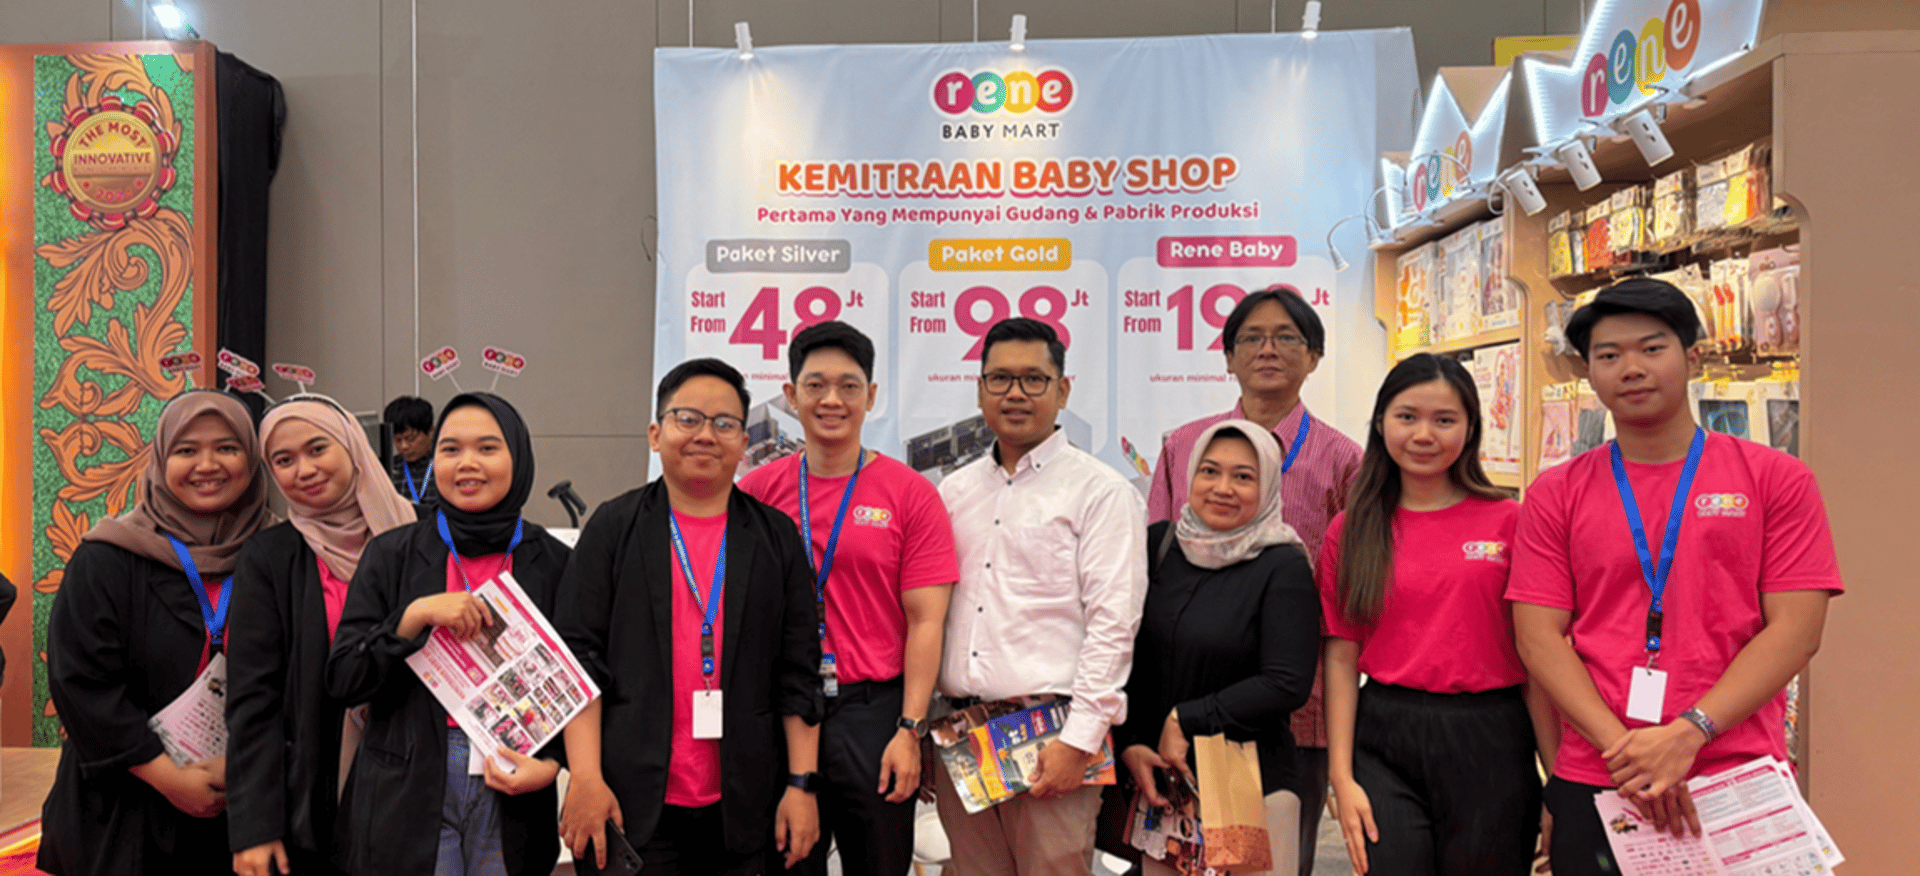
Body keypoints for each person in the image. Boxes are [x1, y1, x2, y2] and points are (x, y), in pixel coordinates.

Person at [1509, 278, 1842, 876]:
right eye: (1609, 356)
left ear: (1692, 357)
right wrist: (1630, 755)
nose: (1630, 368)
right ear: (1589, 374)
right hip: (1602, 774)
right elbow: (1537, 636)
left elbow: (1797, 629)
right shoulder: (1556, 492)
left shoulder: (1776, 479)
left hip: (1735, 770)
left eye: (1651, 348)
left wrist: (1689, 732)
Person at [556, 358, 823, 876]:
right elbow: (577, 659)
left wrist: (802, 784)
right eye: (688, 419)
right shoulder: (614, 528)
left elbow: (799, 670)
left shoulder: (774, 537)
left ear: (744, 443)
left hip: (749, 804)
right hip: (629, 802)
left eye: (724, 424)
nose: (706, 435)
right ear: (656, 435)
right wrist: (585, 778)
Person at [1144, 286, 1362, 868]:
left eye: (1287, 337)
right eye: (1252, 338)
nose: (1269, 350)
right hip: (1179, 703)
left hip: (1292, 702)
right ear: (1228, 356)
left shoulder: (1344, 459)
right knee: (1168, 856)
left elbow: (1348, 587)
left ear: (1314, 356)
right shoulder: (1184, 445)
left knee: (1277, 851)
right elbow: (1161, 563)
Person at [738, 322, 958, 876]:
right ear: (790, 396)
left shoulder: (911, 493)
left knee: (880, 864)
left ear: (872, 396)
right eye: (815, 385)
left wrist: (910, 730)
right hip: (783, 711)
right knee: (786, 860)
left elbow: (927, 621)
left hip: (873, 713)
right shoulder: (758, 492)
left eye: (849, 386)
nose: (831, 400)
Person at [1319, 354, 1551, 875]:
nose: (1424, 434)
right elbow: (1340, 657)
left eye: (1444, 420)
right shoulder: (1351, 528)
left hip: (1493, 733)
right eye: (1407, 416)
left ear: (1470, 430)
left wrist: (1557, 780)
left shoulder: (1510, 522)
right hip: (1383, 737)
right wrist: (1341, 775)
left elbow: (1539, 661)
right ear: (1381, 423)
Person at [935, 317, 1148, 876]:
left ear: (1063, 390)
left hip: (1051, 736)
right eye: (1000, 379)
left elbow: (1113, 624)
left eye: (1033, 379)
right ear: (980, 389)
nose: (1015, 394)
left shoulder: (1101, 491)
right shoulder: (953, 492)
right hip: (964, 740)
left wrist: (1079, 741)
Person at [327, 392, 571, 876]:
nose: (467, 464)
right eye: (451, 449)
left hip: (510, 780)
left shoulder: (554, 562)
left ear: (518, 457)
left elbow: (583, 681)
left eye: (487, 448)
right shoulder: (392, 554)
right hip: (410, 778)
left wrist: (554, 764)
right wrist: (412, 617)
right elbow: (344, 678)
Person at [39, 390, 278, 875]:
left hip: (244, 804)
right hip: (123, 804)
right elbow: (81, 682)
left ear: (252, 460)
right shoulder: (107, 556)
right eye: (186, 450)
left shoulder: (281, 554)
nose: (207, 465)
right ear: (161, 458)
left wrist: (248, 767)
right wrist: (167, 777)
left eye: (227, 448)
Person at [227, 394, 418, 876]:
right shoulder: (270, 557)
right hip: (314, 793)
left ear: (353, 446)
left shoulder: (423, 538)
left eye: (317, 449)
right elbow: (253, 698)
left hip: (417, 784)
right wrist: (257, 825)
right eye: (283, 460)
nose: (303, 470)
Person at [1120, 420, 1320, 875]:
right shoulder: (1161, 545)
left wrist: (1187, 718)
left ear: (1268, 484)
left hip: (1249, 779)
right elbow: (1128, 654)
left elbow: (1287, 682)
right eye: (1209, 471)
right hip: (1168, 784)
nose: (1222, 488)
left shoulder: (1282, 564)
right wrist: (1132, 740)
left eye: (1244, 477)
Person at [386, 395, 438, 506]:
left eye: (411, 438)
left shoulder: (446, 463)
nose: (404, 446)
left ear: (431, 432)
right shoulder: (389, 468)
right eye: (398, 440)